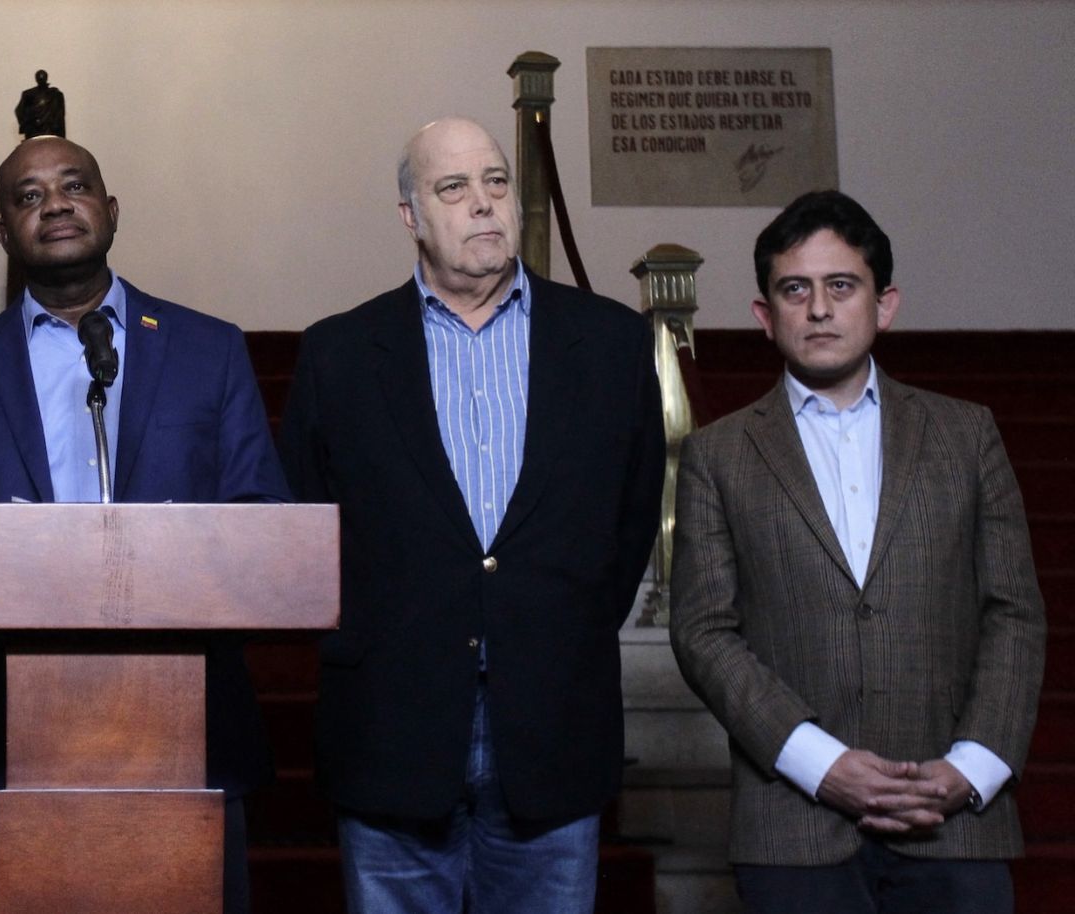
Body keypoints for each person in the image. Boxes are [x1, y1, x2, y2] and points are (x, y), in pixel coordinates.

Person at [0, 135, 289, 914]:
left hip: (187, 728)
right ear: (4, 233)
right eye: (29, 196)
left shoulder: (209, 350)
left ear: (111, 210)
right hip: (10, 735)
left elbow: (262, 525)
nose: (56, 204)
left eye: (74, 186)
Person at [279, 118, 664, 914]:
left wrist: (564, 627)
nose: (483, 204)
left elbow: (629, 523)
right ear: (410, 216)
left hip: (555, 726)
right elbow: (306, 535)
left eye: (496, 182)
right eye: (452, 188)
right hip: (392, 731)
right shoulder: (339, 355)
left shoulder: (612, 344)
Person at [669, 190, 1045, 914]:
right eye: (795, 289)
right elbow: (703, 631)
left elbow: (1015, 614)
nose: (819, 308)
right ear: (764, 315)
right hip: (792, 828)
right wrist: (822, 764)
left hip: (954, 822)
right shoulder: (719, 456)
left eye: (842, 286)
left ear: (885, 303)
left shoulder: (967, 436)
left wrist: (971, 768)